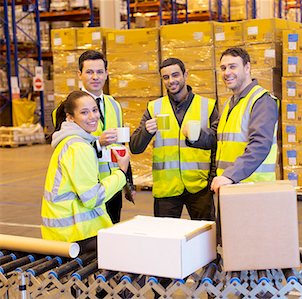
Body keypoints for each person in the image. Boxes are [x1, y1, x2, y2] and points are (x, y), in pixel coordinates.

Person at [130, 58, 217, 221]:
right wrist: (146, 132)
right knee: (166, 241)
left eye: (175, 75)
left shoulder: (207, 106)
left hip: (199, 187)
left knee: (206, 240)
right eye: (166, 77)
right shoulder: (154, 108)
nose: (171, 81)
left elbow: (216, 143)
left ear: (185, 75)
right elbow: (135, 147)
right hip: (167, 188)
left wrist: (211, 180)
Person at [41, 90, 130, 242]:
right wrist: (121, 173)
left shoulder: (68, 141)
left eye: (95, 110)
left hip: (62, 230)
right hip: (76, 233)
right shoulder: (79, 147)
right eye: (84, 112)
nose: (93, 116)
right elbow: (92, 198)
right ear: (70, 117)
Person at [77, 50, 134, 223]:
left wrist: (127, 182)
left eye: (100, 72)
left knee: (112, 234)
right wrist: (98, 143)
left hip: (113, 185)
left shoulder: (114, 105)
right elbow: (67, 150)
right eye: (89, 72)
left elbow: (122, 146)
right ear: (79, 74)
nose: (95, 77)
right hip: (88, 188)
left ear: (107, 74)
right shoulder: (70, 107)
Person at [211, 47, 279, 193]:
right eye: (223, 68)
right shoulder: (230, 103)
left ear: (247, 67)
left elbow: (260, 145)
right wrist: (193, 137)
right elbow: (217, 137)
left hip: (253, 188)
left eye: (232, 67)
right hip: (230, 185)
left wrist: (230, 175)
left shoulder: (261, 101)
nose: (227, 72)